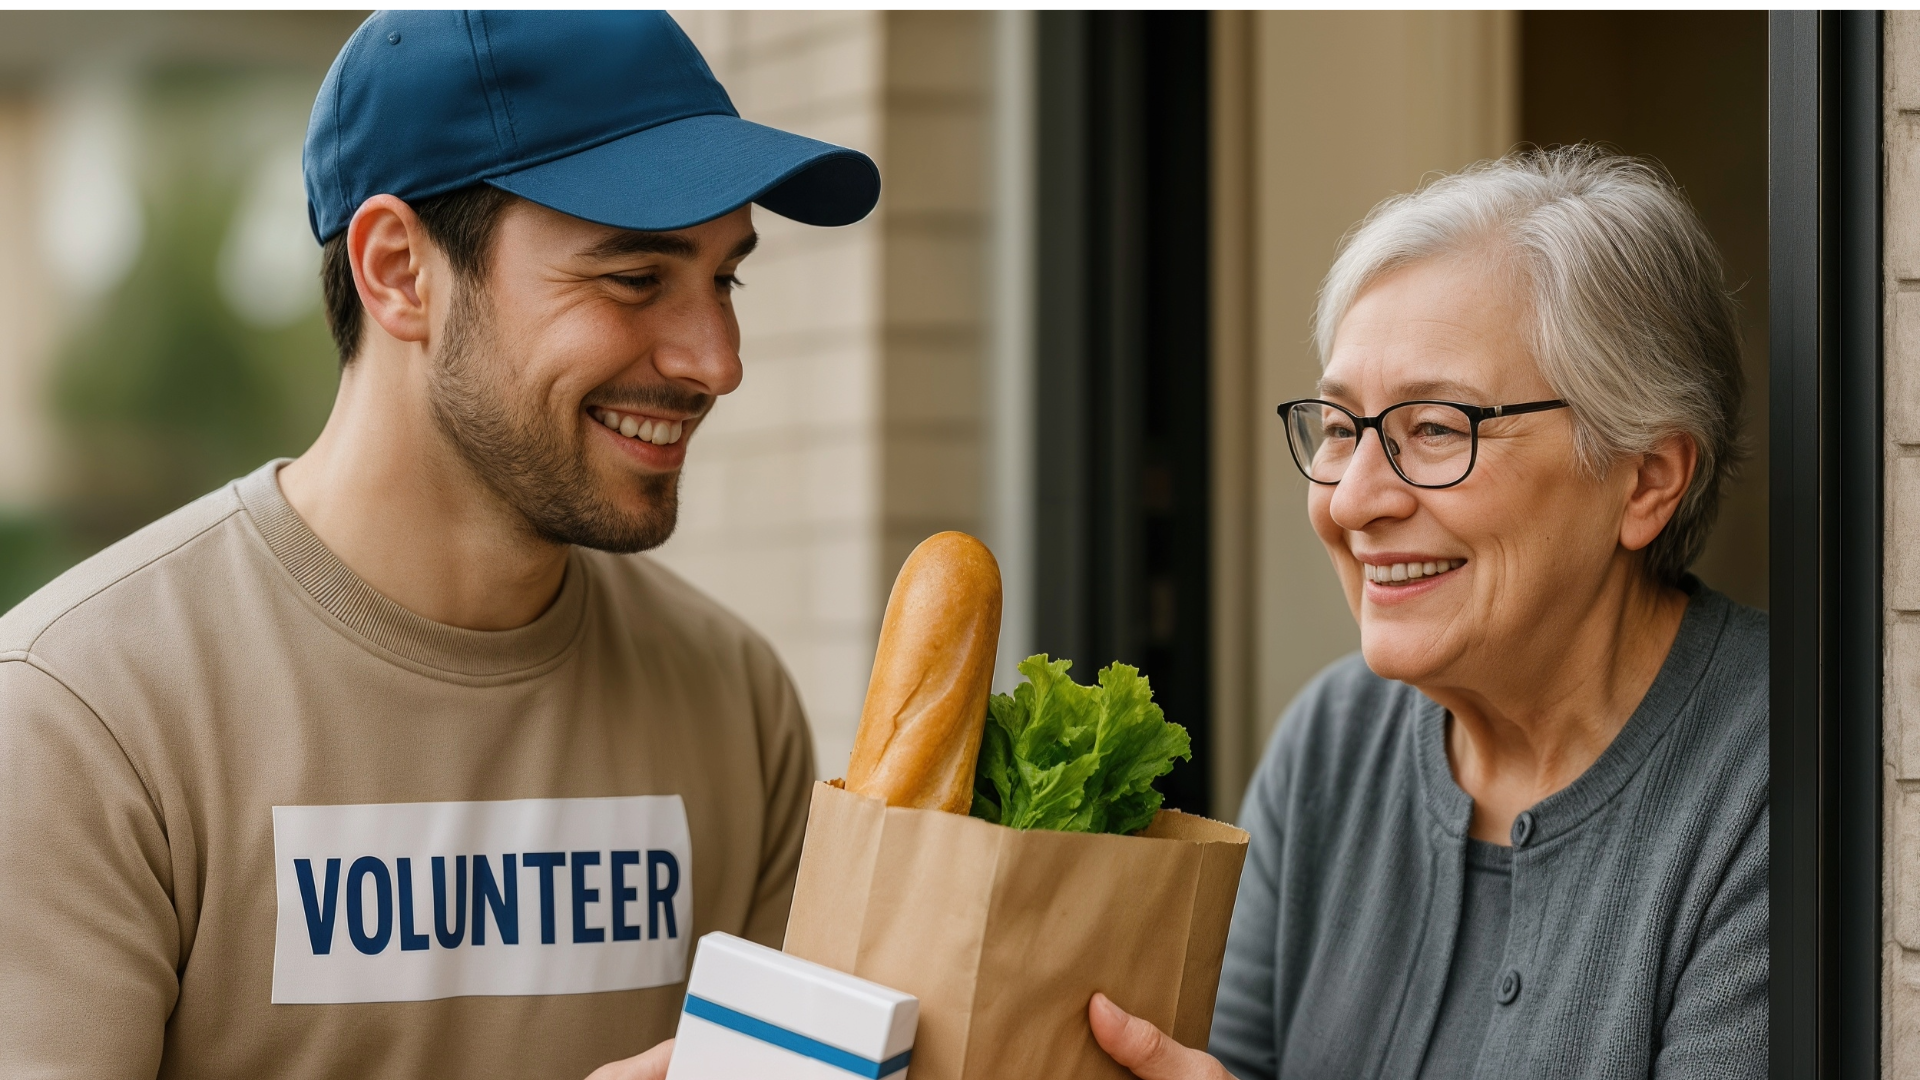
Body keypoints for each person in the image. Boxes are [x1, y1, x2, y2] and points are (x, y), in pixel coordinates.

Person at [0, 11, 879, 1079]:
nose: (716, 361)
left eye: (725, 279)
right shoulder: (78, 719)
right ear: (398, 272)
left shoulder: (733, 702)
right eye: (636, 279)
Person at [1090, 147, 1766, 1078]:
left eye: (1438, 428)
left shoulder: (1782, 781)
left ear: (1647, 479)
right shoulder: (1333, 743)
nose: (1353, 499)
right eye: (1341, 428)